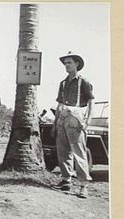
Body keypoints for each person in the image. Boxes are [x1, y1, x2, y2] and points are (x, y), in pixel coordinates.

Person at [51, 51, 94, 198]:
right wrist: (55, 123)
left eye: (69, 62)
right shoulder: (63, 83)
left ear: (76, 64)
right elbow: (59, 104)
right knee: (63, 151)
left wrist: (87, 121)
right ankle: (66, 180)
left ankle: (83, 186)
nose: (66, 65)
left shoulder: (84, 82)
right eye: (65, 63)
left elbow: (90, 103)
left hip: (76, 119)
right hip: (63, 117)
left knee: (79, 152)